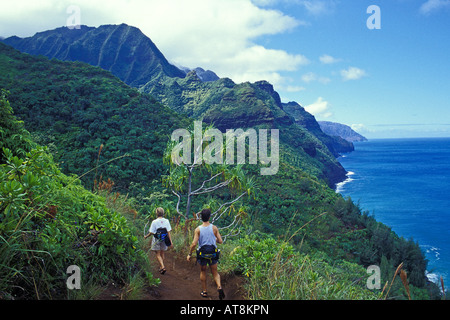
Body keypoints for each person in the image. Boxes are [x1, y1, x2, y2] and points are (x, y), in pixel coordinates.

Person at [187, 208, 225, 300]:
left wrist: (189, 253)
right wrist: (214, 239)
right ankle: (219, 286)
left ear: (201, 217)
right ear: (209, 217)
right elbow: (220, 241)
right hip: (213, 253)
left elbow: (194, 244)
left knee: (203, 271)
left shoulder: (198, 229)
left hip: (202, 254)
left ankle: (204, 292)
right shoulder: (214, 228)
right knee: (215, 272)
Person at [144, 207, 172, 274]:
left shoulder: (154, 222)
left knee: (158, 253)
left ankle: (162, 267)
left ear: (156, 213)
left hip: (157, 239)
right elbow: (169, 232)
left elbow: (151, 232)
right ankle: (161, 267)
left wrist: (146, 236)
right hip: (164, 239)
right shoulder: (166, 221)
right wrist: (171, 241)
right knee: (162, 252)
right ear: (163, 213)